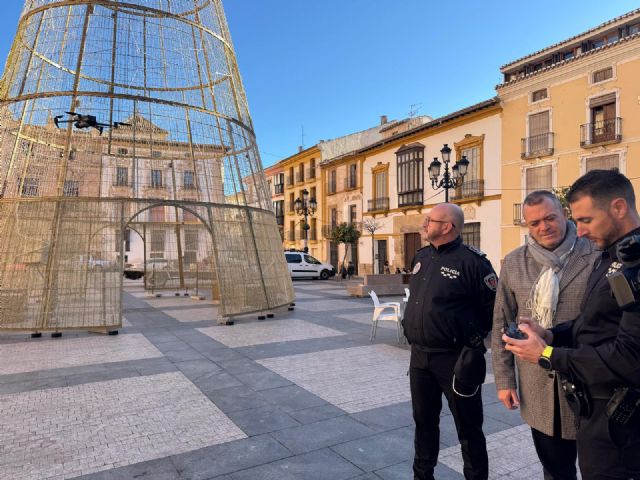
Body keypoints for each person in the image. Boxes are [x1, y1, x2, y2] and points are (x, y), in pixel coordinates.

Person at [503, 170, 640, 479]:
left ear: (618, 208)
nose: (579, 232)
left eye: (586, 220)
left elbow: (631, 356)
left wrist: (548, 353)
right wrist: (550, 333)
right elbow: (594, 321)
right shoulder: (613, 256)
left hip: (622, 420)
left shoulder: (632, 260)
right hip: (596, 411)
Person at [491, 190, 598, 480]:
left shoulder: (596, 254)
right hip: (538, 387)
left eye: (550, 218)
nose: (543, 227)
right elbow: (502, 322)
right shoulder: (514, 262)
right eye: (535, 222)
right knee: (554, 471)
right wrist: (504, 381)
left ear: (564, 214)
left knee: (600, 469)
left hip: (592, 386)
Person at [403, 203, 497, 480]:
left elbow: (494, 308)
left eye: (429, 220)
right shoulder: (420, 257)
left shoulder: (474, 263)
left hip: (455, 360)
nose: (424, 224)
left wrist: (474, 345)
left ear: (447, 227)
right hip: (420, 357)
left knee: (468, 429)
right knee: (424, 423)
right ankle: (422, 476)